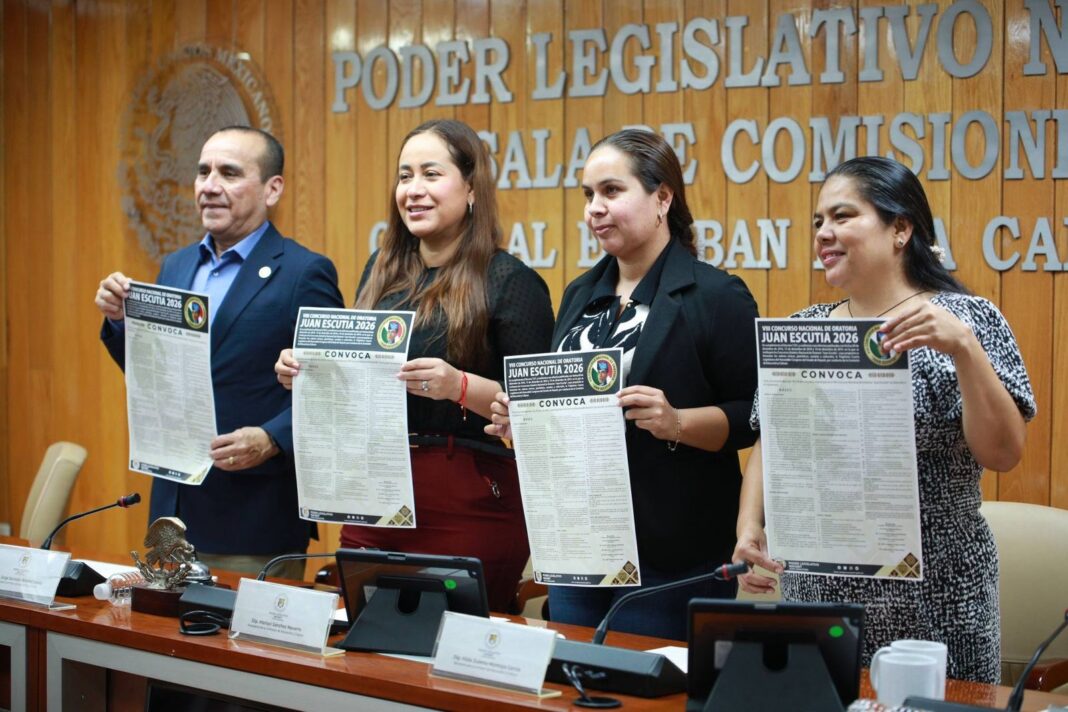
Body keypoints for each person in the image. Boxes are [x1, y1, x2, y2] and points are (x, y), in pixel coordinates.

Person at [733, 156, 1035, 682]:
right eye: (818, 221)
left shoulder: (969, 319)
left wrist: (964, 350)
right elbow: (772, 440)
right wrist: (749, 525)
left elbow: (1004, 454)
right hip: (818, 596)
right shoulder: (805, 328)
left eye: (842, 216)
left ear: (901, 229)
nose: (823, 233)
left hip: (938, 600)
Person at [487, 129, 760, 640]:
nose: (595, 208)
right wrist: (525, 419)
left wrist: (677, 422)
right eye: (588, 194)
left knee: (641, 680)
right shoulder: (580, 293)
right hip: (580, 539)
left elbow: (752, 416)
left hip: (670, 552)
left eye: (612, 191)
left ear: (663, 198)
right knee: (570, 678)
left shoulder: (717, 296)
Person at [275, 119, 554, 612]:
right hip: (374, 494)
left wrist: (458, 385)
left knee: (458, 647)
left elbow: (540, 412)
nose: (413, 190)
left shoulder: (511, 281)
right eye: (405, 176)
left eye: (431, 174)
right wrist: (309, 373)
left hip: (468, 500)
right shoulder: (380, 272)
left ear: (471, 188)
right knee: (362, 640)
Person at [95, 126, 345, 579]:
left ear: (272, 189)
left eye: (229, 173)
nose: (209, 186)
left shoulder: (304, 273)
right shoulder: (176, 266)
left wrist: (272, 438)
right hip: (172, 517)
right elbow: (157, 377)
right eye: (203, 172)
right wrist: (119, 322)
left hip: (254, 522)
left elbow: (335, 389)